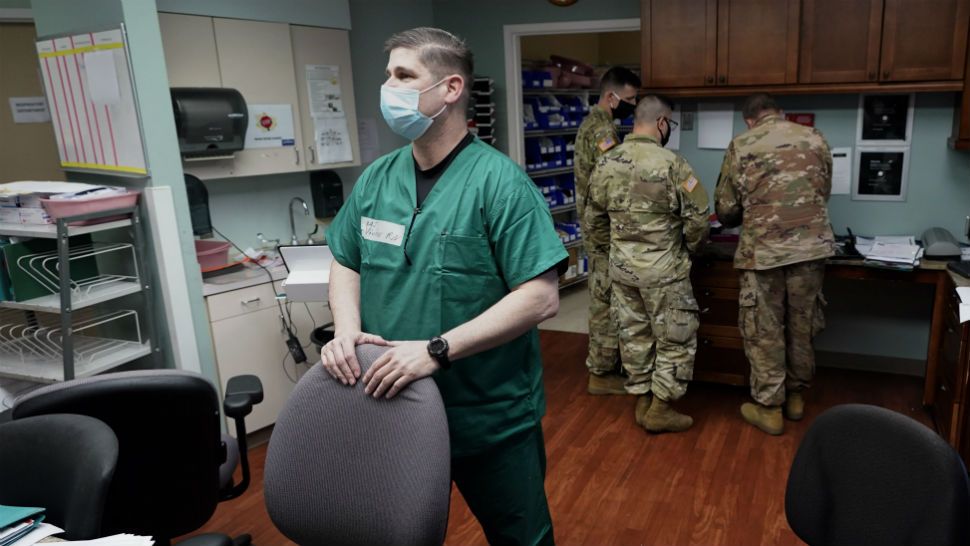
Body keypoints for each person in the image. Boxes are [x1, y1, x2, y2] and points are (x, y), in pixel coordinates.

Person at [320, 27, 566, 545]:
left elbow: (540, 297)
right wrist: (346, 330)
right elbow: (345, 258)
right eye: (388, 75)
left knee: (520, 536)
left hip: (487, 416)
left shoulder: (500, 183)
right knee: (392, 533)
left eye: (403, 75)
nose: (388, 88)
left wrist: (436, 350)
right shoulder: (377, 179)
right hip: (391, 405)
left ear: (451, 88)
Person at [585, 95, 709, 433]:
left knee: (634, 334)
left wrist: (613, 252)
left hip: (622, 270)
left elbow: (593, 221)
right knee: (674, 338)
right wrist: (691, 249)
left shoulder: (606, 162)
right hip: (663, 270)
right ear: (662, 122)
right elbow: (698, 219)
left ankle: (642, 398)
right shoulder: (673, 164)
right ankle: (661, 408)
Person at [714, 93, 835, 436]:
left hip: (763, 253)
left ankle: (768, 407)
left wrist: (747, 210)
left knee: (763, 329)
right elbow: (822, 191)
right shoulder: (815, 137)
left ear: (749, 120)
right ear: (781, 114)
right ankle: (795, 398)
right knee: (801, 323)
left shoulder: (742, 143)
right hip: (811, 250)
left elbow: (725, 208)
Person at [573, 66, 642, 396]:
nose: (632, 104)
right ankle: (600, 372)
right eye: (629, 99)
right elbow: (616, 178)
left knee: (604, 294)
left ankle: (605, 365)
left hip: (595, 222)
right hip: (602, 227)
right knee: (603, 298)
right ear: (612, 97)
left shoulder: (594, 123)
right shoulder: (602, 131)